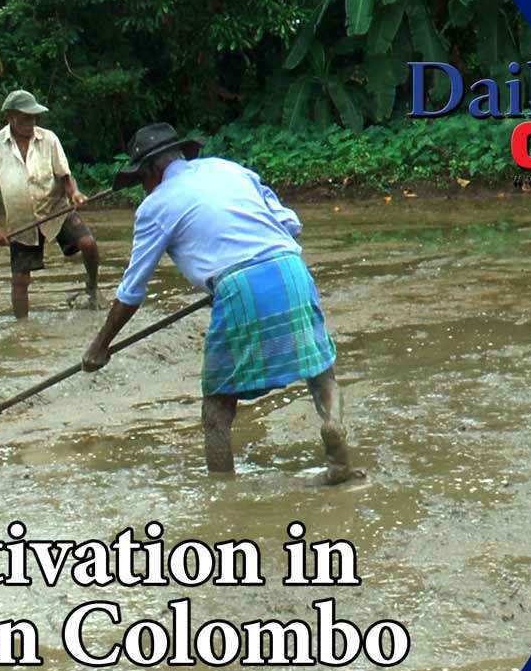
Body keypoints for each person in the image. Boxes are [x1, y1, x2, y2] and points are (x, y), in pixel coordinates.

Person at [82, 123, 358, 485]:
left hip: (240, 287)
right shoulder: (230, 169)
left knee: (217, 408)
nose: (144, 189)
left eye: (142, 180)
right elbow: (290, 223)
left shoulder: (156, 206)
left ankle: (222, 497)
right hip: (291, 269)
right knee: (321, 372)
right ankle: (335, 441)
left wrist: (100, 346)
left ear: (151, 171)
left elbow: (133, 290)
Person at [0, 89, 100, 318]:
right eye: (25, 118)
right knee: (20, 281)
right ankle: (22, 327)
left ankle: (92, 286)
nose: (31, 123)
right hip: (23, 221)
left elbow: (65, 176)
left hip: (56, 209)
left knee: (88, 243)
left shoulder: (48, 139)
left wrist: (75, 194)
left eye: (33, 117)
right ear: (11, 117)